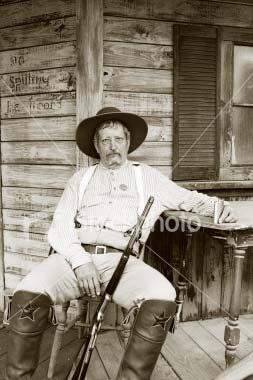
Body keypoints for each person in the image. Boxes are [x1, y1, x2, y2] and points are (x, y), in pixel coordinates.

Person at [5, 107, 237, 380]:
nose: (112, 147)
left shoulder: (146, 177)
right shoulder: (80, 180)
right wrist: (81, 262)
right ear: (96, 145)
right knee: (25, 294)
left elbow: (188, 199)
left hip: (122, 262)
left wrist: (218, 206)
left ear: (128, 142)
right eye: (105, 140)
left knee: (163, 297)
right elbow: (60, 226)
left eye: (118, 139)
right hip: (73, 259)